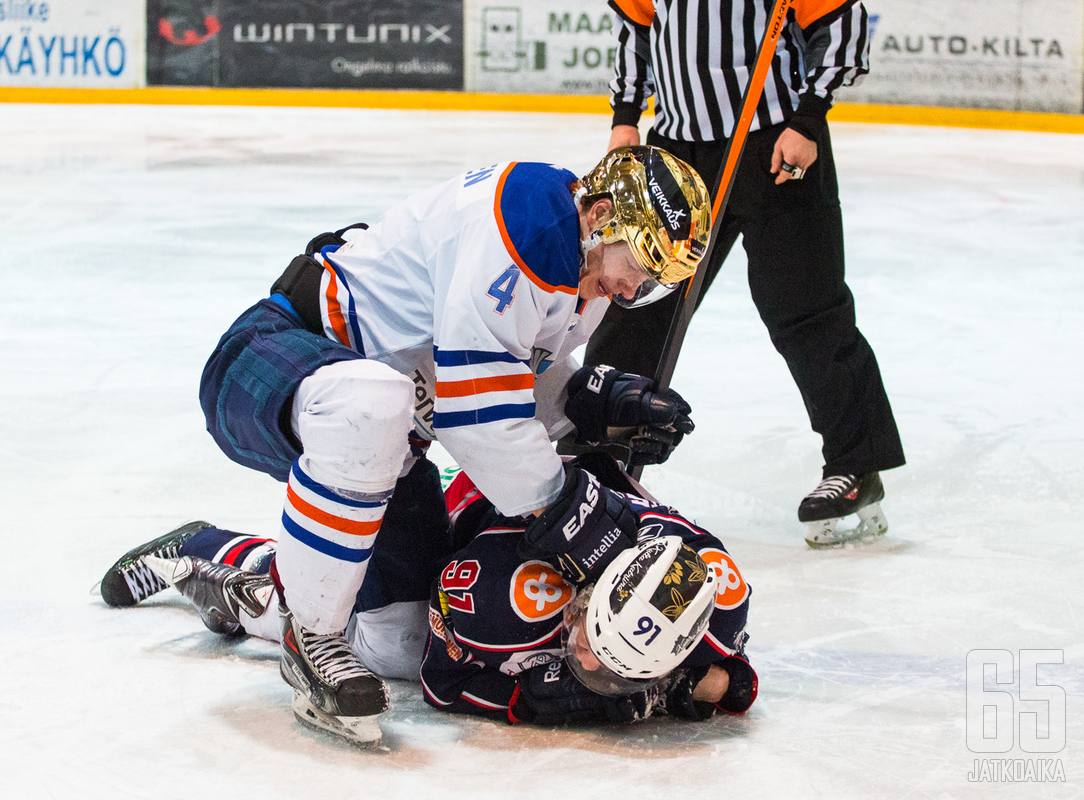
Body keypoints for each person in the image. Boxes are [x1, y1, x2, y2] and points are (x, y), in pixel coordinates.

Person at [160, 147, 714, 743]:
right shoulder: (530, 224)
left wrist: (585, 396)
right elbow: (476, 413)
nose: (638, 287)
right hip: (273, 356)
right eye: (643, 262)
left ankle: (236, 572)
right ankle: (310, 638)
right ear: (603, 214)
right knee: (371, 401)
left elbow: (503, 372)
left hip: (388, 442)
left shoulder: (583, 272)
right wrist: (570, 513)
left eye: (658, 280)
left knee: (400, 643)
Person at [95, 453, 757, 741]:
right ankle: (211, 557)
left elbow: (735, 683)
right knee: (386, 639)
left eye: (611, 667)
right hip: (465, 511)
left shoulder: (713, 590)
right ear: (583, 590)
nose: (585, 660)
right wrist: (519, 700)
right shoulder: (503, 595)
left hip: (555, 489)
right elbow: (441, 677)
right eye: (587, 634)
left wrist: (674, 687)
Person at [593, 0, 905, 546]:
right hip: (679, 153)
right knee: (637, 303)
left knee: (807, 311)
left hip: (775, 145)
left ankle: (857, 466)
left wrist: (809, 117)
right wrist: (625, 117)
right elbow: (636, 30)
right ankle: (599, 450)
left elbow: (840, 23)